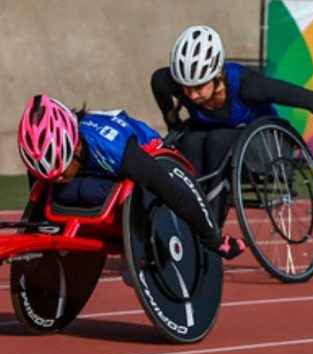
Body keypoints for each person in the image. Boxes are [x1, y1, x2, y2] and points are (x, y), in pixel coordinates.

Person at [150, 25, 313, 217]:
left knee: (217, 139)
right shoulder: (172, 82)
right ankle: (189, 213)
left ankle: (210, 229)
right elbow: (157, 82)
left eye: (199, 87)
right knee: (189, 142)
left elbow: (309, 100)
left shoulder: (248, 86)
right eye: (186, 88)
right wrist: (173, 124)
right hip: (215, 144)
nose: (192, 95)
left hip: (263, 147)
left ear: (217, 75)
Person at [17, 94, 246, 260]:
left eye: (61, 170)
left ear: (75, 146)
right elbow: (43, 187)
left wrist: (214, 239)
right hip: (105, 175)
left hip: (153, 168)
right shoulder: (45, 158)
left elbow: (172, 189)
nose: (56, 179)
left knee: (113, 193)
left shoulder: (116, 149)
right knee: (57, 189)